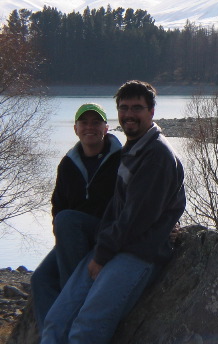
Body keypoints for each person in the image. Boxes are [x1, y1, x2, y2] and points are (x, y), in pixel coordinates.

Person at [41, 81, 186, 344]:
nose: (129, 114)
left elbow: (136, 218)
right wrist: (100, 249)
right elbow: (113, 208)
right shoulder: (131, 150)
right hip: (111, 247)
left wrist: (102, 254)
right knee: (56, 322)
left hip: (139, 253)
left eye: (137, 108)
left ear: (151, 112)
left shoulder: (157, 155)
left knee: (86, 328)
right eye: (124, 107)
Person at [31, 103, 122, 332]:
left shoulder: (122, 159)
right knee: (40, 279)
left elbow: (140, 197)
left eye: (96, 122)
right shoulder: (68, 164)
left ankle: (72, 304)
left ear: (106, 128)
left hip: (107, 232)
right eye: (84, 123)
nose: (89, 127)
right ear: (75, 129)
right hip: (74, 235)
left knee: (67, 220)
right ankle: (52, 335)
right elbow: (57, 205)